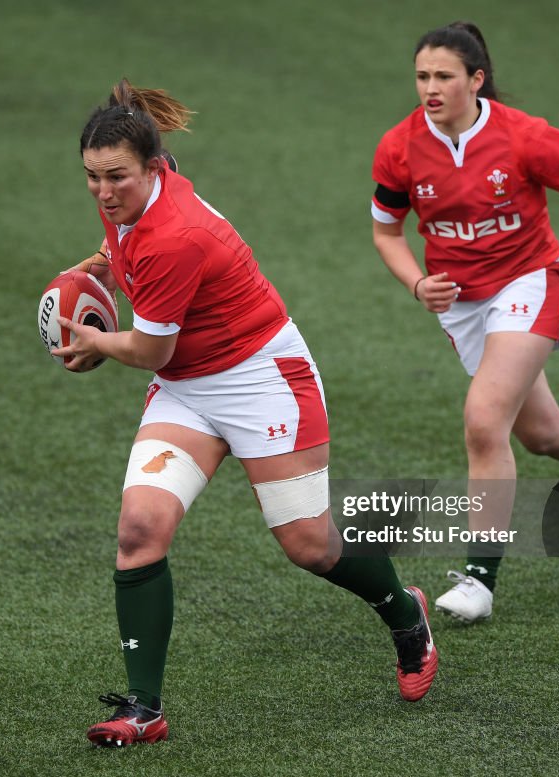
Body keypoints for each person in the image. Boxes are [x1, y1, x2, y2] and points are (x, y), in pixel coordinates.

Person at [55, 79, 439, 748]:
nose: (103, 191)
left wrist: (93, 340)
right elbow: (135, 275)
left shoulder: (175, 235)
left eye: (115, 177)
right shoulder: (137, 192)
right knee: (141, 527)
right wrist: (97, 268)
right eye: (91, 177)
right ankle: (144, 707)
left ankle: (407, 614)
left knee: (309, 545)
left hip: (263, 381)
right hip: (189, 389)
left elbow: (148, 346)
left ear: (152, 168)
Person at [369, 22, 559, 625]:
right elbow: (385, 229)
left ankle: (479, 579)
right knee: (543, 433)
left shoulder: (524, 136)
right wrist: (416, 282)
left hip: (531, 281)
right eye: (422, 76)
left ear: (476, 80)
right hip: (462, 305)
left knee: (483, 421)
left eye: (444, 77)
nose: (431, 88)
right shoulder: (399, 147)